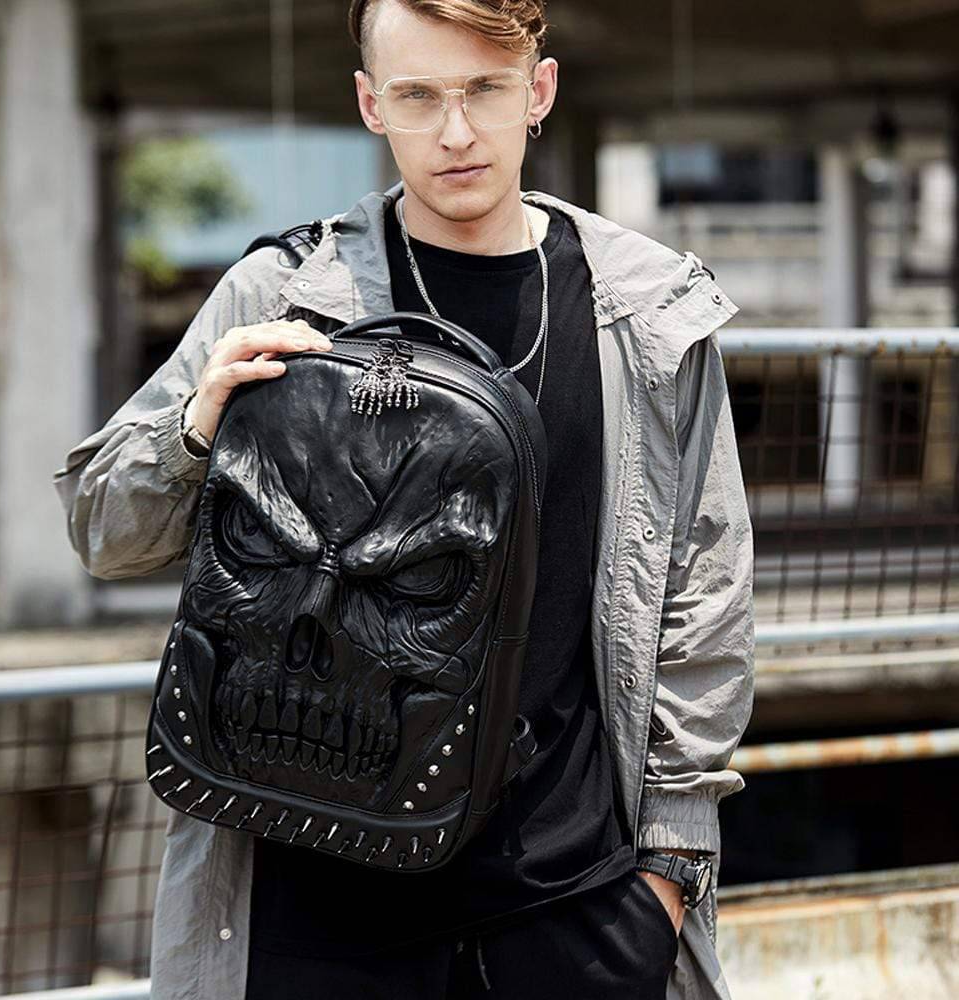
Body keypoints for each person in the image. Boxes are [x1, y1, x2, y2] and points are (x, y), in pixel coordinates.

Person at [51, 1, 755, 998]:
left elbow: (703, 590)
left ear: (539, 90)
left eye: (485, 91)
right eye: (419, 96)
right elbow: (104, 532)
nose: (456, 132)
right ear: (370, 105)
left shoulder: (645, 312)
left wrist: (667, 876)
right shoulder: (284, 291)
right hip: (311, 909)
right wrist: (199, 424)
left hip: (569, 910)